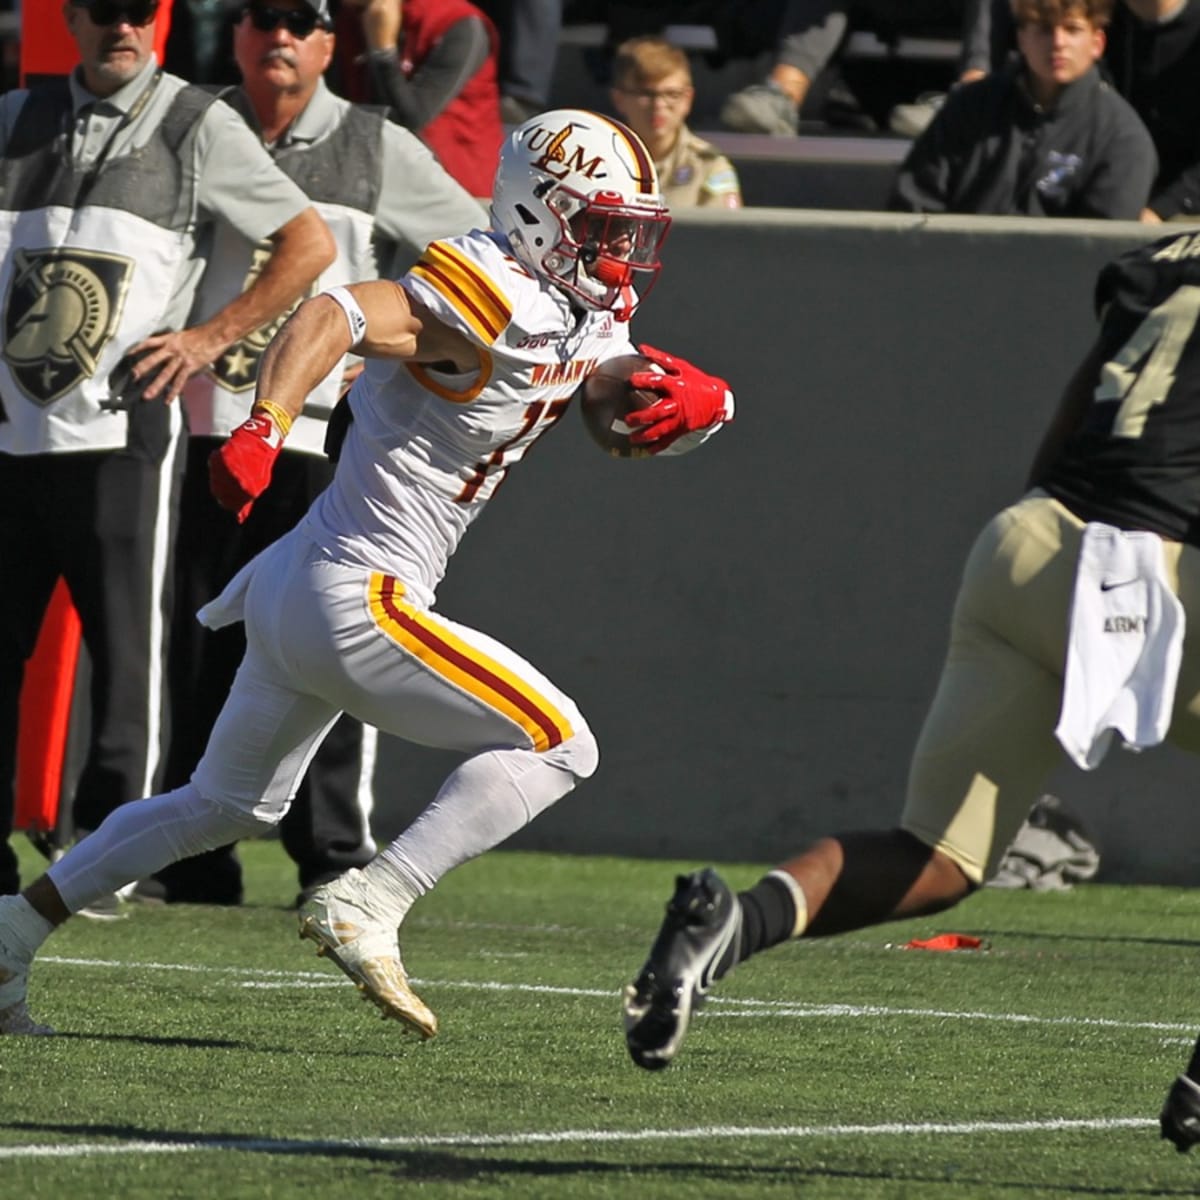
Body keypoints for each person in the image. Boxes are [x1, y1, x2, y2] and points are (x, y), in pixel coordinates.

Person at [0, 108, 736, 1038]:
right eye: (601, 228)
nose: (619, 252)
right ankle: (372, 898)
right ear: (541, 213)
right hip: (360, 589)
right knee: (561, 743)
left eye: (628, 231)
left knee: (218, 804)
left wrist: (704, 399)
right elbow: (336, 311)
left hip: (302, 580)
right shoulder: (495, 290)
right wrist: (267, 421)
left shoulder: (578, 300)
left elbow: (596, 389)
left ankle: (12, 932)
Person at [623, 224, 1200, 1101]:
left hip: (1029, 541)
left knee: (936, 856)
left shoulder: (1161, 257)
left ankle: (732, 925)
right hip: (1148, 567)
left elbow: (1081, 407)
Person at [143, 0, 488, 910]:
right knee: (194, 642)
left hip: (316, 443)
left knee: (333, 640)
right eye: (262, 18)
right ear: (238, 36)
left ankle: (331, 852)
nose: (281, 36)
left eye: (303, 19)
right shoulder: (195, 124)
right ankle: (191, 861)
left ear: (332, 42)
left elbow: (478, 251)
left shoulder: (376, 144)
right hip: (198, 429)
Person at [0, 0, 334, 905]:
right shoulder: (17, 116)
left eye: (140, 13)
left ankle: (112, 862)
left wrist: (206, 336)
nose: (124, 28)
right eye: (105, 11)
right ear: (70, 17)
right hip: (12, 427)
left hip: (123, 429)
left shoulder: (195, 119)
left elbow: (309, 244)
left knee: (130, 657)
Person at [888, 0, 1156, 219]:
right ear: (1021, 38)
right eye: (1044, 29)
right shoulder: (969, 107)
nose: (1058, 42)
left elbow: (1101, 253)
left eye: (1072, 29)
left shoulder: (1122, 139)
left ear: (1097, 43)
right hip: (955, 274)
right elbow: (913, 204)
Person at [334, 0, 504, 199]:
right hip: (384, 187)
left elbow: (410, 120)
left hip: (463, 195)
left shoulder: (457, 22)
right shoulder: (347, 19)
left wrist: (383, 52)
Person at [609, 36, 742, 210]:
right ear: (619, 99)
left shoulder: (709, 165)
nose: (659, 105)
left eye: (672, 94)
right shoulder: (598, 162)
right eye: (646, 94)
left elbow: (724, 232)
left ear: (688, 99)